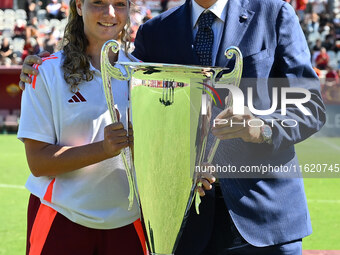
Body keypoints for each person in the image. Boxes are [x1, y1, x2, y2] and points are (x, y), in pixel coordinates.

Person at [20, 0, 326, 254]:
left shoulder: (274, 14)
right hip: (184, 226)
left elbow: (310, 107)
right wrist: (41, 65)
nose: (110, 12)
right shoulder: (157, 33)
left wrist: (260, 127)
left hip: (265, 217)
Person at [17, 0, 146, 254]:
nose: (110, 13)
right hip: (62, 219)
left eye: (119, 4)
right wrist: (103, 149)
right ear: (78, 6)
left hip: (128, 223)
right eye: (98, 3)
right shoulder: (46, 72)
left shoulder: (143, 74)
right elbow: (38, 163)